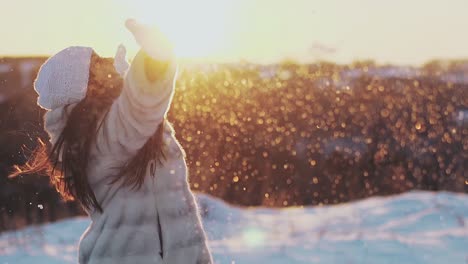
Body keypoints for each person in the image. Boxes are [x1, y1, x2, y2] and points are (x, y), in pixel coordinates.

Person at [11, 19, 213, 264]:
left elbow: (139, 102)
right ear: (86, 88)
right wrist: (155, 58)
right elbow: (143, 99)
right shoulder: (108, 134)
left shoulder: (99, 133)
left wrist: (133, 72)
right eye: (97, 64)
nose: (107, 66)